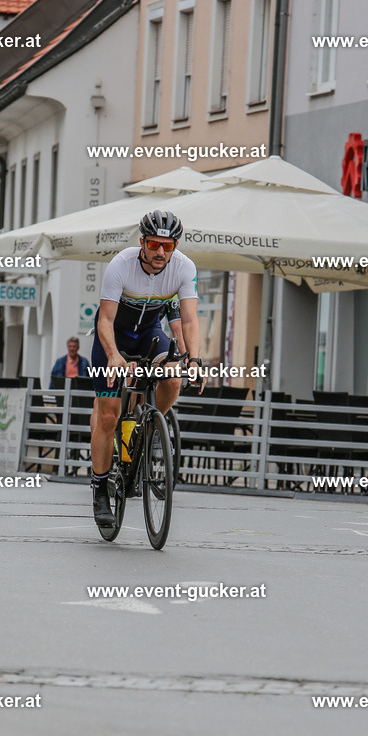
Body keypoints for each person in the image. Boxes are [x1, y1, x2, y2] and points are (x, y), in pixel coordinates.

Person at [89, 209, 203, 526]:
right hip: (113, 337)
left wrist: (194, 359)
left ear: (175, 246)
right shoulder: (121, 265)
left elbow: (190, 319)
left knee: (173, 377)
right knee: (109, 414)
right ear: (142, 242)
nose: (160, 252)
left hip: (148, 335)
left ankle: (152, 428)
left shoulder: (184, 267)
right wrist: (113, 355)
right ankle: (99, 489)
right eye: (154, 244)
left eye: (168, 246)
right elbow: (105, 320)